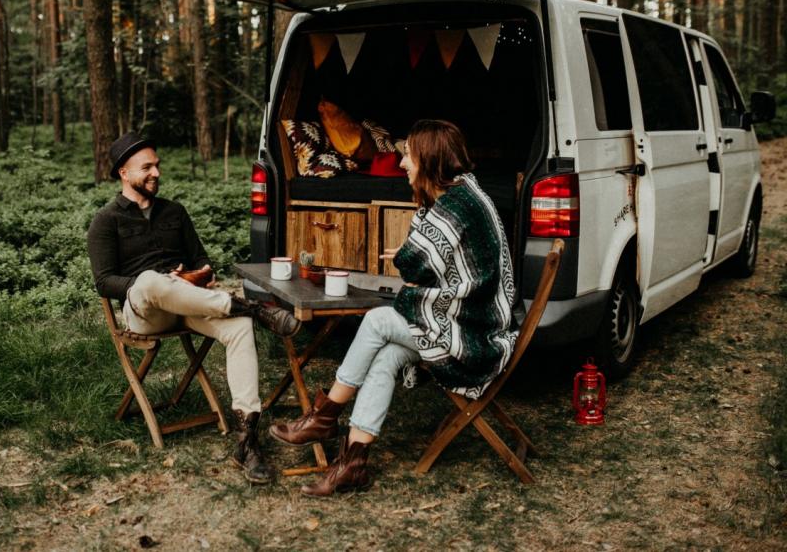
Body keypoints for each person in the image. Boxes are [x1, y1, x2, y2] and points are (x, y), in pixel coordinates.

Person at [269, 120, 517, 496]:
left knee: (377, 319)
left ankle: (325, 415)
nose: (402, 164)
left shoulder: (456, 205)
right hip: (467, 321)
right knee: (385, 355)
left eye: (408, 157)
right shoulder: (461, 194)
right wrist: (410, 262)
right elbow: (423, 263)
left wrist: (407, 260)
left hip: (477, 335)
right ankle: (352, 463)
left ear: (430, 160)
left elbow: (414, 264)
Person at [88, 132, 301, 484]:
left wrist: (200, 273)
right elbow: (104, 281)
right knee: (151, 281)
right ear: (124, 173)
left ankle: (247, 439)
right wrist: (157, 282)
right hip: (146, 312)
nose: (156, 172)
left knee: (238, 329)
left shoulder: (175, 212)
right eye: (147, 167)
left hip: (188, 302)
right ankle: (249, 306)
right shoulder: (106, 221)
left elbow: (201, 259)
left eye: (157, 165)